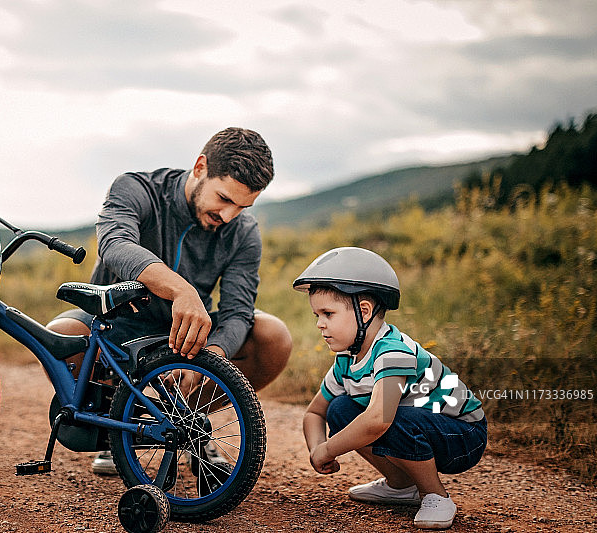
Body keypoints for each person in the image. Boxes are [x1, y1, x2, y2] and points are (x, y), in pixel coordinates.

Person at [48, 127, 292, 475]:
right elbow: (114, 243)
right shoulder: (136, 188)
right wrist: (180, 290)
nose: (229, 216)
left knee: (273, 335)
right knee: (61, 334)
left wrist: (213, 360)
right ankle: (117, 430)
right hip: (115, 327)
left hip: (185, 338)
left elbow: (238, 312)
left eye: (242, 206)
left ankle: (190, 424)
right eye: (224, 199)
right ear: (200, 167)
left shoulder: (244, 232)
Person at [293, 247, 486, 530]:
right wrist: (316, 450)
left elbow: (377, 421)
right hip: (419, 424)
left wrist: (328, 449)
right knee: (340, 408)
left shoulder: (392, 351)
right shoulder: (346, 359)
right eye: (316, 315)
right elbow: (315, 413)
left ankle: (435, 495)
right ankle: (401, 485)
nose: (320, 324)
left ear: (364, 311)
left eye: (328, 313)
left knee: (387, 416)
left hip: (463, 434)